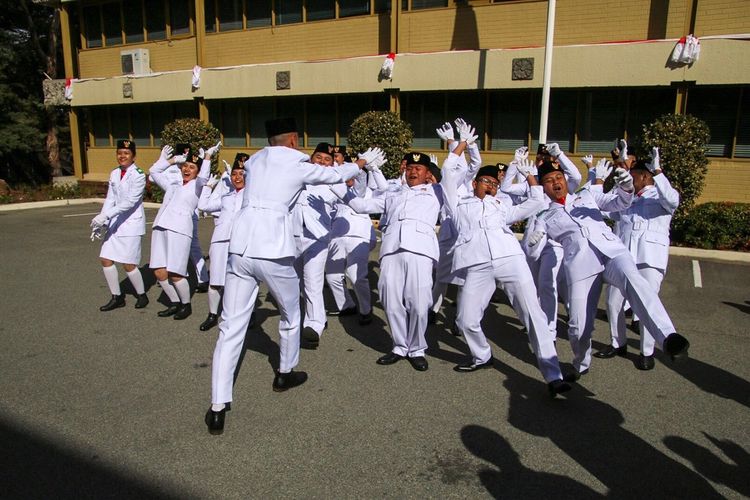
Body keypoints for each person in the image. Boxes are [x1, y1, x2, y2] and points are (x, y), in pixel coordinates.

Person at [205, 118, 378, 435]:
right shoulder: (297, 162)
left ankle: (217, 406)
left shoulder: (255, 160)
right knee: (291, 312)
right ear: (294, 140)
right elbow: (334, 174)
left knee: (231, 326)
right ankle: (285, 371)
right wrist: (362, 162)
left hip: (240, 246)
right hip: (273, 247)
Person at [526, 161, 690, 382]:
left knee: (635, 282)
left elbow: (618, 204)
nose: (555, 182)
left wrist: (626, 188)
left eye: (558, 178)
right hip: (581, 266)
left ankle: (668, 337)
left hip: (611, 251)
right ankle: (580, 364)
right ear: (544, 187)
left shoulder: (585, 195)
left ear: (565, 180)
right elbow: (533, 253)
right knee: (578, 326)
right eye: (549, 180)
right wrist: (533, 241)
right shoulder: (543, 216)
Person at [442, 156, 571, 396]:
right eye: (485, 181)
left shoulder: (502, 207)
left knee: (533, 315)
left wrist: (530, 175)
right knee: (465, 319)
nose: (490, 186)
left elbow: (535, 201)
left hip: (510, 260)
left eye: (494, 183)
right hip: (477, 265)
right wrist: (459, 146)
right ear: (475, 184)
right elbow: (448, 174)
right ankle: (482, 356)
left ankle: (554, 376)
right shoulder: (458, 205)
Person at [597, 148, 680, 370]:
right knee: (613, 303)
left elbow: (672, 201)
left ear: (645, 176)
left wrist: (659, 171)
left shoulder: (660, 197)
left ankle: (646, 352)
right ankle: (618, 343)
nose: (630, 180)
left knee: (645, 305)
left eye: (633, 176)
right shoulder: (629, 198)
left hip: (649, 260)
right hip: (623, 258)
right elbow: (608, 211)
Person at [149, 142, 218, 320]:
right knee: (158, 270)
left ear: (197, 170)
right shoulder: (174, 184)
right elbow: (154, 172)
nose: (187, 169)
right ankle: (174, 302)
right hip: (161, 226)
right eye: (185, 165)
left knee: (175, 272)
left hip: (179, 229)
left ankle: (185, 304)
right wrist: (171, 160)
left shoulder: (197, 187)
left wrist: (208, 158)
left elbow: (203, 178)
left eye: (192, 167)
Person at [90, 139, 149, 311]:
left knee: (128, 264)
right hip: (116, 222)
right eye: (119, 153)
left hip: (131, 224)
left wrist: (107, 215)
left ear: (133, 156)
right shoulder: (115, 173)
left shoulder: (138, 175)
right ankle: (117, 297)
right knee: (105, 258)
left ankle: (142, 294)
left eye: (126, 153)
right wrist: (102, 219)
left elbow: (129, 202)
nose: (122, 156)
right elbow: (111, 198)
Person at [294, 142, 343, 349]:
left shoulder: (334, 183)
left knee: (312, 281)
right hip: (293, 235)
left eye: (327, 159)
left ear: (332, 164)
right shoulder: (299, 177)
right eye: (318, 158)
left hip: (317, 238)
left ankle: (313, 326)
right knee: (296, 282)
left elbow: (345, 191)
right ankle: (314, 317)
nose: (322, 162)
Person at [196, 154, 248, 331]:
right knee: (216, 280)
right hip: (220, 240)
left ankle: (248, 315)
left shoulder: (253, 196)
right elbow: (203, 206)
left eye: (242, 173)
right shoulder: (226, 196)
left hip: (241, 243)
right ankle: (212, 314)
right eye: (234, 174)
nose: (237, 177)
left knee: (243, 281)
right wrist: (208, 187)